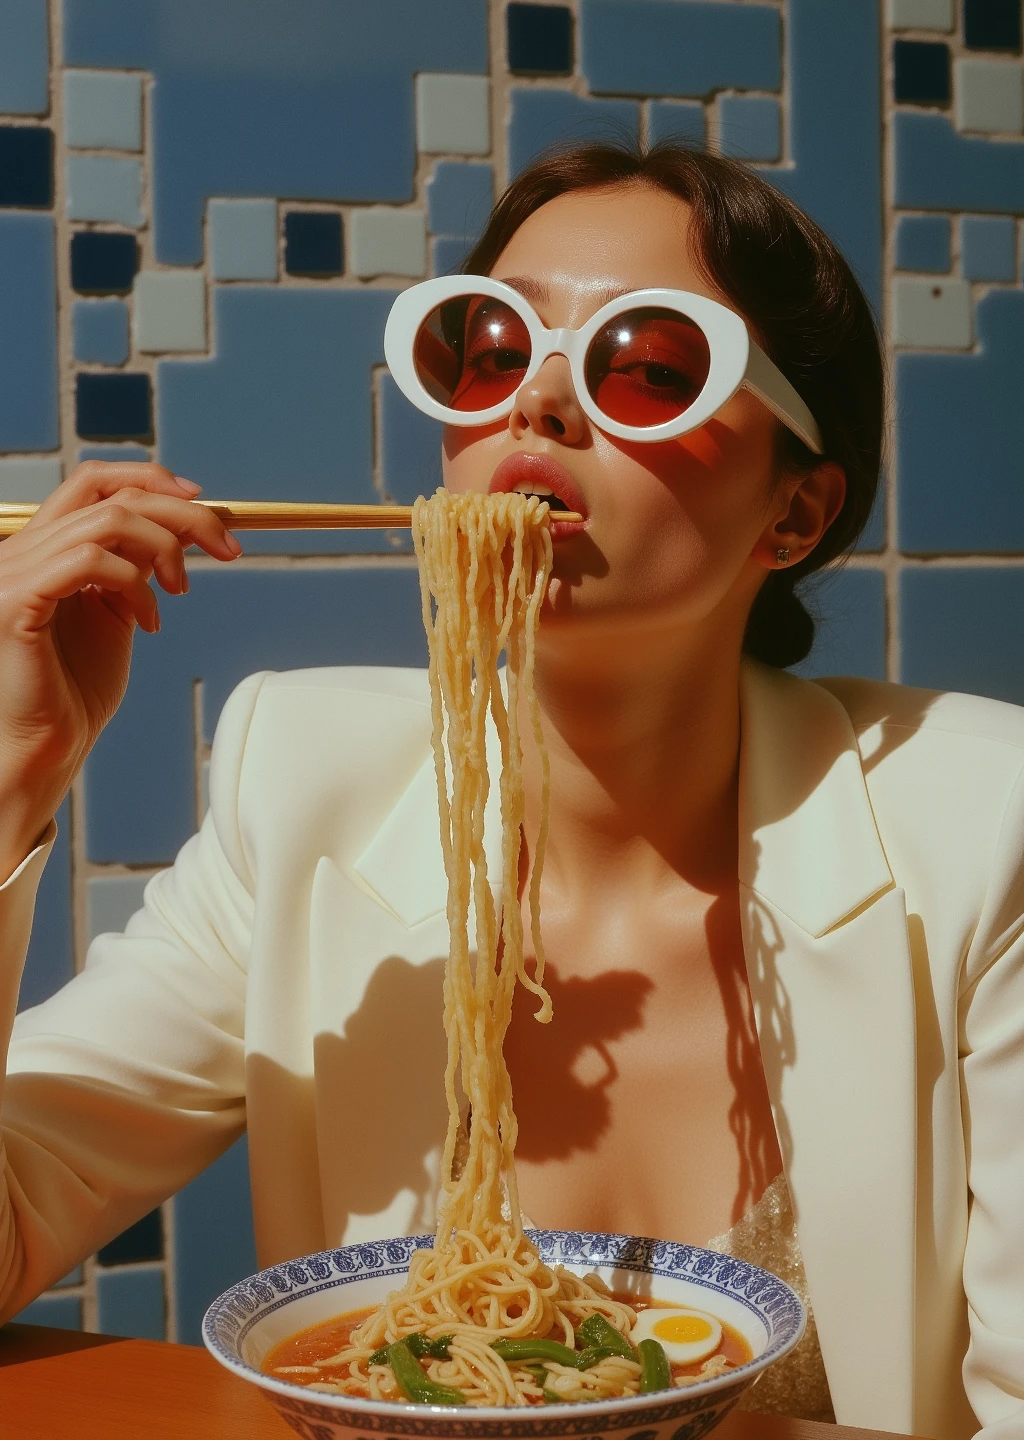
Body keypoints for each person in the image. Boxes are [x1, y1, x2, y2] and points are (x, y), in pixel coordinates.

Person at [0, 142, 1020, 1439]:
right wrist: (8, 771)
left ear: (797, 510)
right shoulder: (304, 789)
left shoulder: (985, 828)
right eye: (486, 349)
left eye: (650, 366)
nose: (536, 406)